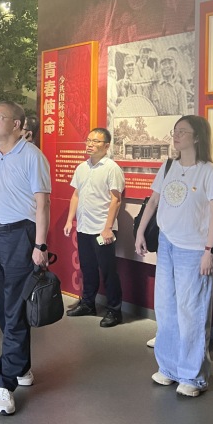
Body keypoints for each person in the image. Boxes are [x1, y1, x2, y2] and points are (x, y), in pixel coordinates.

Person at [135, 115, 213, 398]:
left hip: (194, 248)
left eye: (182, 131)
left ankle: (193, 375)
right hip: (167, 244)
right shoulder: (168, 166)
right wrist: (139, 232)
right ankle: (169, 367)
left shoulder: (209, 172)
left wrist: (209, 251)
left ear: (197, 137)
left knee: (192, 311)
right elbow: (153, 201)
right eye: (175, 131)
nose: (176, 135)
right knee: (165, 307)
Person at [0, 101, 51, 416]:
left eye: (0, 117)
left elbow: (42, 203)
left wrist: (40, 245)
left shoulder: (32, 156)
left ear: (17, 124)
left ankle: (5, 382)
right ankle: (20, 368)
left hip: (21, 236)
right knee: (3, 306)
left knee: (14, 309)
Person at [63, 127, 125, 327]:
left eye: (95, 141)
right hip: (84, 227)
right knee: (87, 268)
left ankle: (114, 311)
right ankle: (88, 303)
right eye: (88, 140)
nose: (90, 144)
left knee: (108, 271)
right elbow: (76, 195)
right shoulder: (82, 167)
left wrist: (107, 228)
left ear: (106, 146)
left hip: (102, 229)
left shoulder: (112, 168)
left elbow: (116, 200)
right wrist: (69, 220)